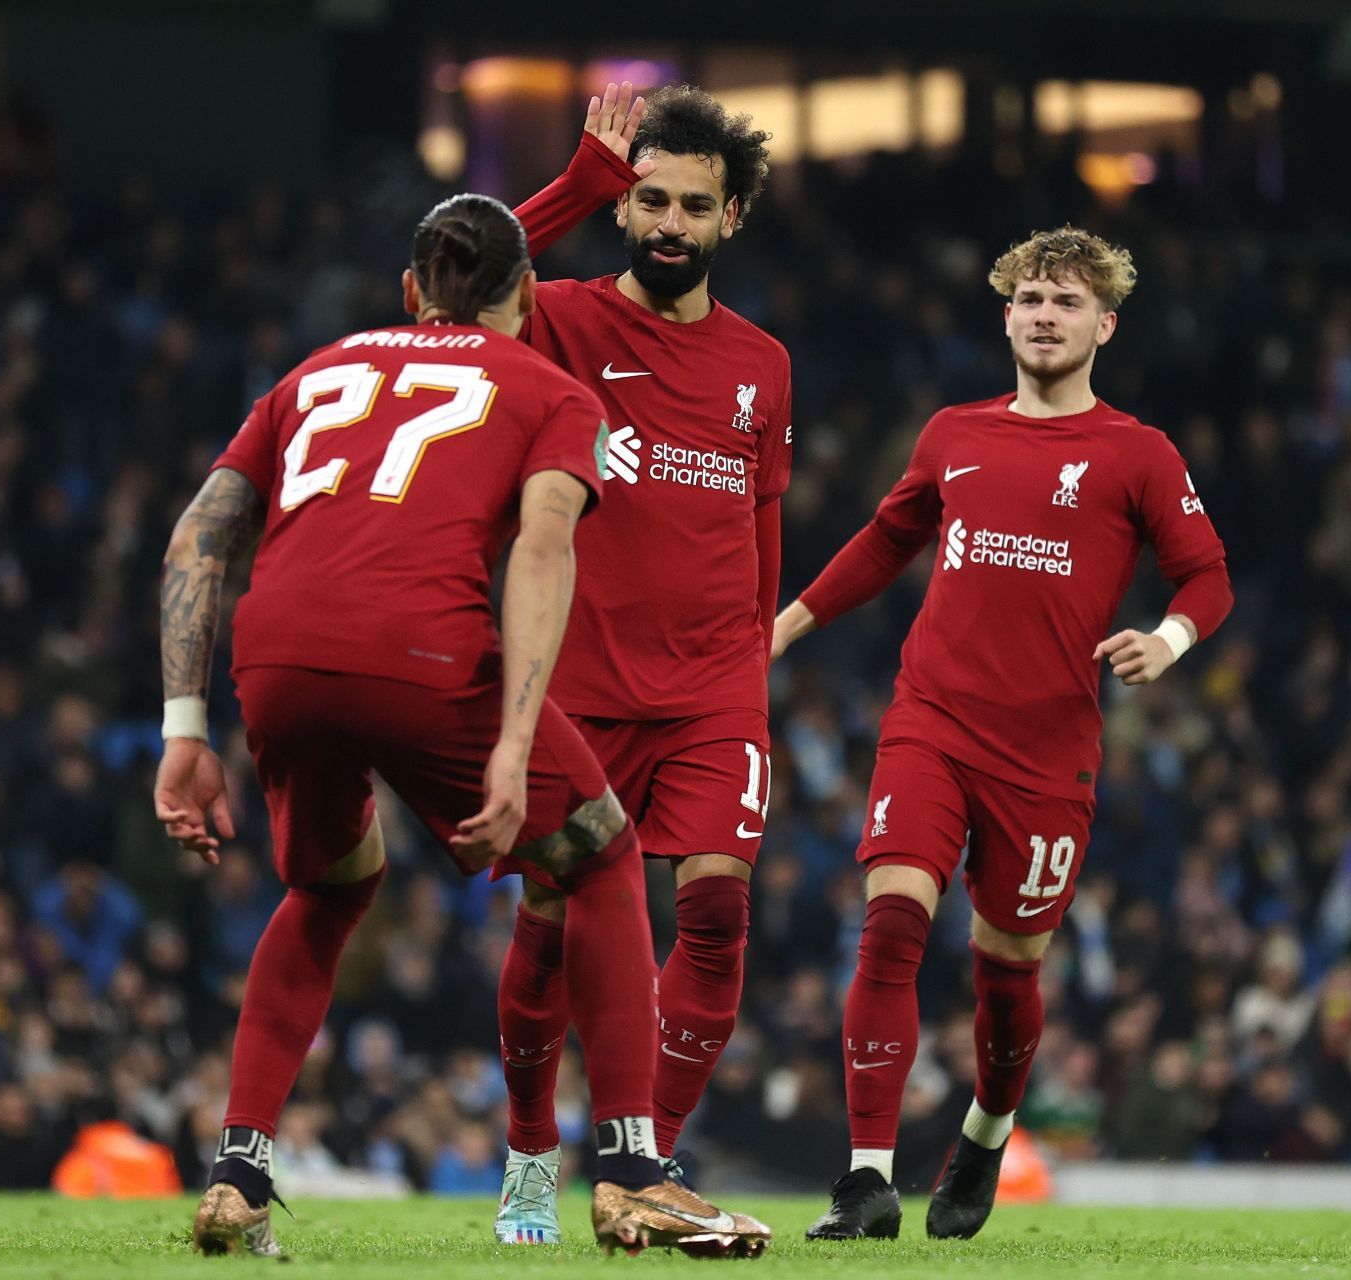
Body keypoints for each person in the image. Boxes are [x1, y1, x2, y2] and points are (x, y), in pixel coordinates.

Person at [152, 194, 768, 1258]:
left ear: (410, 292)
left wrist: (183, 727)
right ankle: (632, 1171)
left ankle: (239, 1169)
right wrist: (517, 742)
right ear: (528, 296)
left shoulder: (315, 370)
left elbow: (202, 531)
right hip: (423, 650)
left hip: (278, 654)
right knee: (603, 851)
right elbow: (539, 551)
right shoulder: (549, 386)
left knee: (330, 885)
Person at [773, 226, 1234, 1240]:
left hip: (1049, 750)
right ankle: (866, 1178)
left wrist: (1170, 636)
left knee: (1007, 969)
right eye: (1029, 297)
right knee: (891, 921)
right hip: (932, 719)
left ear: (1103, 325)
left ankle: (985, 1131)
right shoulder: (953, 433)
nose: (1043, 314)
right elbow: (885, 540)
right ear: (1006, 315)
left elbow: (1209, 573)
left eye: (1066, 302)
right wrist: (785, 625)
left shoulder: (1136, 452)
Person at [488, 83, 792, 1245]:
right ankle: (528, 1147)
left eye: (693, 206)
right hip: (585, 684)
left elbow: (763, 530)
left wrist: (753, 673)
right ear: (627, 206)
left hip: (715, 686)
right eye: (651, 199)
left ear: (732, 220)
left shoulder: (764, 363)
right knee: (555, 931)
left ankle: (638, 1165)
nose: (669, 222)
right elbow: (448, 287)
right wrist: (577, 181)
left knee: (715, 913)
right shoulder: (558, 318)